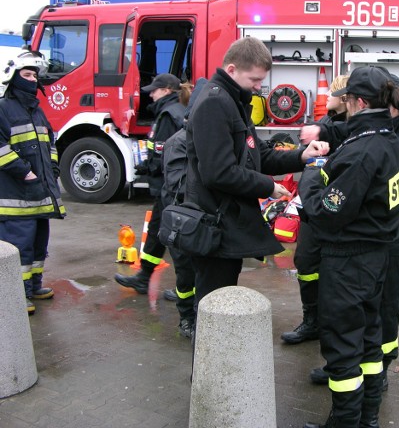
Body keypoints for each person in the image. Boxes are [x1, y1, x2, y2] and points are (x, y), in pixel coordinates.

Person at [184, 37, 328, 314]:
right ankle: (211, 357)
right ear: (232, 69)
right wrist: (268, 187)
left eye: (261, 80)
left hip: (226, 224)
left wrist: (301, 155)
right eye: (254, 79)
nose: (259, 87)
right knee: (214, 308)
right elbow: (218, 173)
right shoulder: (215, 104)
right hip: (213, 225)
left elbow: (257, 155)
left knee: (223, 302)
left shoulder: (234, 100)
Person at [300, 66, 399, 428]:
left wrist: (313, 173)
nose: (342, 106)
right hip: (375, 257)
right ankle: (367, 420)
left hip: (349, 261)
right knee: (369, 343)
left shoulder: (364, 150)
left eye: (345, 100)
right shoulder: (387, 138)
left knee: (343, 348)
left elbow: (325, 211)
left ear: (358, 101)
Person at [281, 75, 349, 345]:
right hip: (312, 209)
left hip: (337, 211)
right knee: (306, 263)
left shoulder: (356, 129)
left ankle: (333, 327)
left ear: (345, 98)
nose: (326, 97)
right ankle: (312, 321)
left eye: (331, 92)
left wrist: (322, 134)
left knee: (337, 273)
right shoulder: (324, 124)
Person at [0, 50, 66, 315]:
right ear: (14, 77)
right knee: (20, 247)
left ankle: (34, 286)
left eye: (34, 75)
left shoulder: (37, 111)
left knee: (39, 246)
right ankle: (17, 293)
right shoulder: (3, 108)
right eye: (26, 75)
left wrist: (53, 167)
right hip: (15, 195)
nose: (31, 80)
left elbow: (49, 143)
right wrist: (23, 171)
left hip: (39, 192)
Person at [114, 74, 190, 296]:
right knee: (157, 231)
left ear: (166, 90)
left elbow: (164, 153)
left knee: (175, 238)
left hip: (170, 188)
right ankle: (144, 277)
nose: (150, 94)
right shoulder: (176, 110)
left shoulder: (168, 114)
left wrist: (149, 167)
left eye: (154, 90)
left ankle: (186, 288)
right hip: (169, 187)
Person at [158, 78, 207, 338]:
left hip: (202, 221)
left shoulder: (206, 137)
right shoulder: (178, 142)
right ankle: (186, 317)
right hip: (183, 224)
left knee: (201, 273)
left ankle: (198, 314)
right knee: (185, 274)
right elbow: (178, 185)